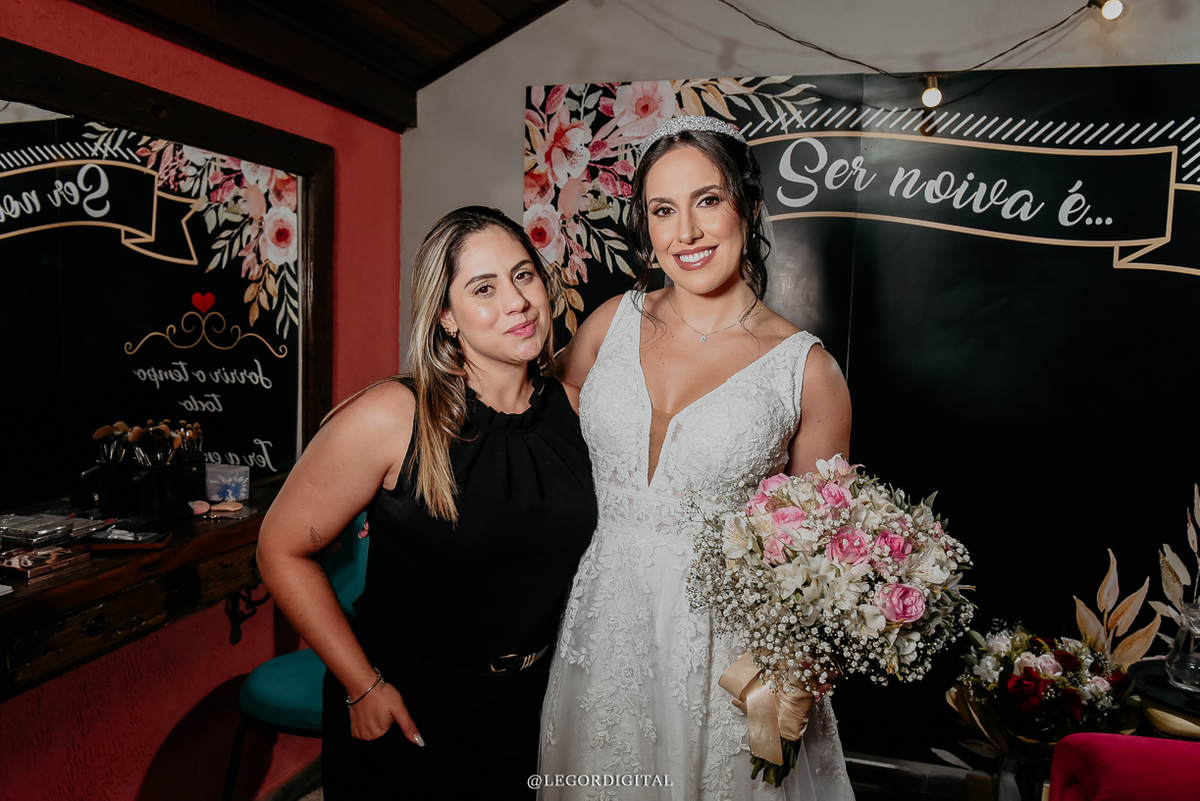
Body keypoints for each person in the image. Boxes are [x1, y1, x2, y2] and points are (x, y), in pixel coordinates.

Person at [537, 116, 855, 799]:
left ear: (749, 206)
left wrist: (793, 678)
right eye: (662, 209)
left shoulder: (807, 371)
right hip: (605, 621)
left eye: (707, 200)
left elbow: (822, 562)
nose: (685, 231)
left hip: (723, 648)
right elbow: (538, 410)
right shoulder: (610, 323)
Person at [257, 206, 597, 799]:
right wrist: (362, 686)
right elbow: (279, 550)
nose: (517, 302)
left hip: (539, 705)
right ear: (445, 315)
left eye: (523, 275)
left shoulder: (576, 409)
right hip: (412, 709)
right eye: (483, 288)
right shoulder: (393, 416)